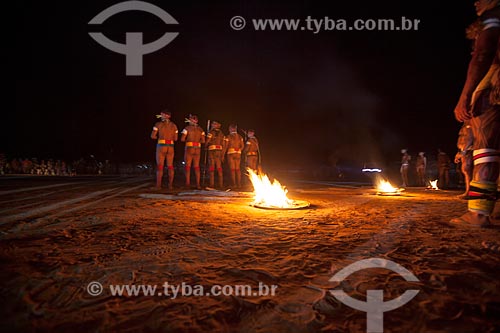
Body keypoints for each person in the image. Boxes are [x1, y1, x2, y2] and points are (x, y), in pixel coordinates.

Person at [451, 0, 500, 227]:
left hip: (494, 89)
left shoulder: (494, 15)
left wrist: (465, 96)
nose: (476, 2)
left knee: (486, 149)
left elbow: (482, 54)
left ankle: (478, 213)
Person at [151, 110, 178, 190]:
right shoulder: (174, 126)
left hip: (161, 146)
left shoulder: (158, 124)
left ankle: (158, 186)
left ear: (165, 116)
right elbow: (176, 139)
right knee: (170, 166)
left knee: (160, 166)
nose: (160, 116)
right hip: (170, 146)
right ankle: (170, 185)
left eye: (162, 115)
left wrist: (159, 138)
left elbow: (152, 136)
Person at [181, 114, 205, 189]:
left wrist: (188, 140)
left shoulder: (187, 128)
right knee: (196, 166)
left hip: (189, 148)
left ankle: (187, 183)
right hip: (197, 148)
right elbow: (203, 141)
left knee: (187, 166)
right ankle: (198, 184)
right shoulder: (201, 129)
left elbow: (182, 139)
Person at [454, 123, 474, 197]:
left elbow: (469, 137)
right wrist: (459, 152)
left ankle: (470, 191)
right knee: (466, 171)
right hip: (464, 150)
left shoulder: (470, 124)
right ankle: (468, 191)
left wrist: (463, 152)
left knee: (467, 170)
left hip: (469, 150)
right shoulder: (465, 124)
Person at [205, 120, 225, 189]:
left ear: (217, 125)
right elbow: (223, 143)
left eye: (214, 124)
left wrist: (205, 146)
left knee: (212, 167)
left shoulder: (211, 132)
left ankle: (212, 184)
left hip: (212, 150)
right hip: (219, 150)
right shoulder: (222, 134)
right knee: (219, 167)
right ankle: (221, 184)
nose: (212, 125)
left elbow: (207, 141)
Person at [224, 124, 244, 189]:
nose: (229, 130)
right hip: (238, 153)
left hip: (231, 152)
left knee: (232, 169)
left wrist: (223, 154)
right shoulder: (240, 137)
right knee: (237, 169)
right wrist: (239, 150)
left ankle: (234, 184)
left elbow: (226, 146)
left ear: (231, 129)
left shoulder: (228, 137)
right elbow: (242, 146)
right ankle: (239, 184)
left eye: (229, 128)